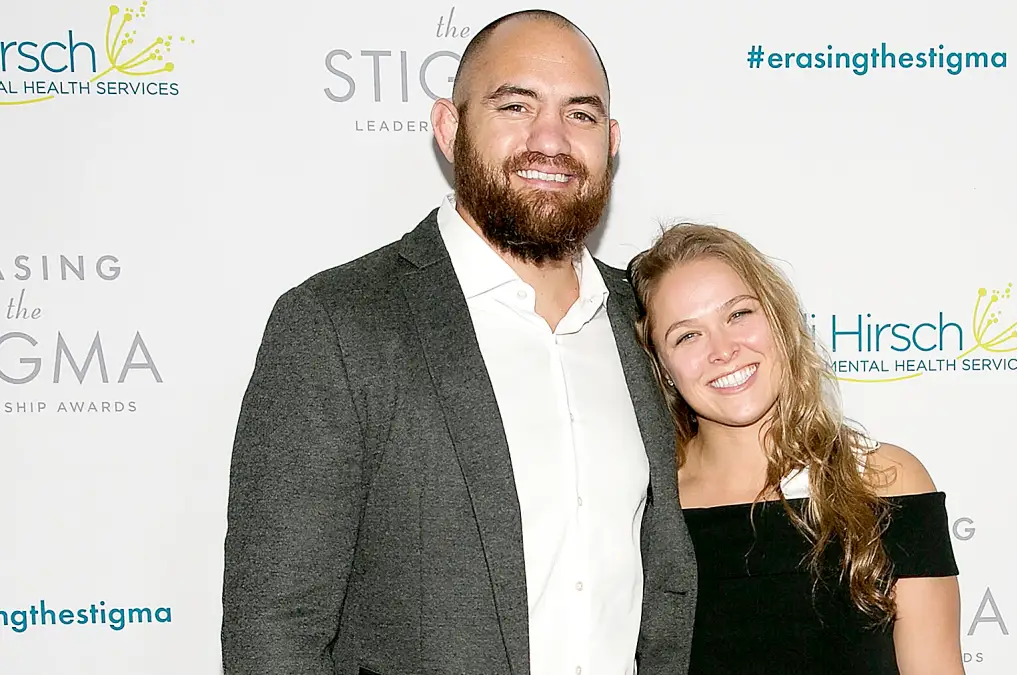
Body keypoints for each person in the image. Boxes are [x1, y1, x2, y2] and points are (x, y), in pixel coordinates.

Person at [220, 11, 695, 675]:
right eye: (515, 105)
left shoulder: (643, 320)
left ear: (611, 142)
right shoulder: (338, 323)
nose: (550, 139)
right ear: (450, 128)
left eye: (580, 115)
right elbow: (276, 632)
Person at [627, 223, 964, 675]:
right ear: (662, 367)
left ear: (779, 320)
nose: (723, 351)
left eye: (738, 315)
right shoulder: (646, 508)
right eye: (688, 336)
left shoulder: (887, 480)